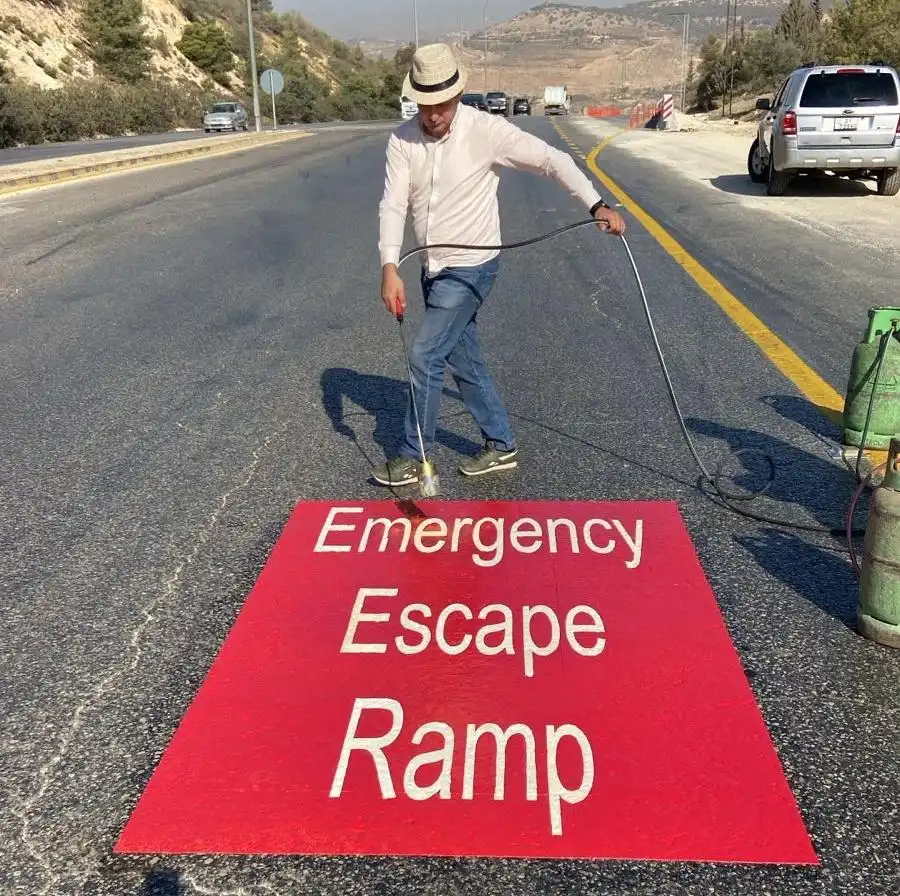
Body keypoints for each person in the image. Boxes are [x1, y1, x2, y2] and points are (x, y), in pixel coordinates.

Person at [373, 43, 626, 488]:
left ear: (457, 95)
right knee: (462, 358)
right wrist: (389, 266)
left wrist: (596, 205)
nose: (434, 114)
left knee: (425, 354)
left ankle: (414, 455)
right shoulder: (403, 140)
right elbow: (393, 204)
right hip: (432, 267)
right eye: (426, 105)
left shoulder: (486, 131)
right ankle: (501, 444)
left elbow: (552, 160)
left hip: (472, 267)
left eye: (442, 104)